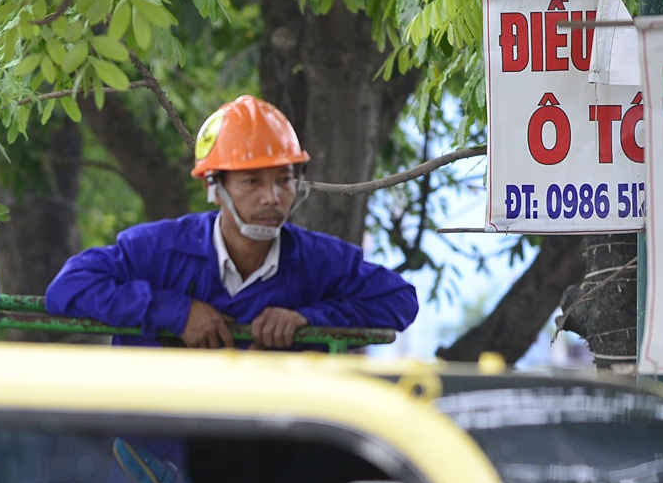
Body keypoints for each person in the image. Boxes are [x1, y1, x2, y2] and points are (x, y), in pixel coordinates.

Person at [45, 96, 418, 348]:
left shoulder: (316, 260)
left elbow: (400, 300)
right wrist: (175, 312)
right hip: (152, 455)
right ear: (215, 186)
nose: (272, 197)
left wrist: (308, 319)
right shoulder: (156, 249)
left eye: (284, 180)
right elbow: (67, 288)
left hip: (261, 454)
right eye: (252, 181)